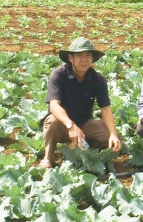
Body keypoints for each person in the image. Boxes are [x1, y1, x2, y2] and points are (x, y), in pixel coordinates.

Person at [41, 37, 121, 168]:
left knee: (111, 139)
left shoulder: (97, 79)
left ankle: (79, 146)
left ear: (92, 59)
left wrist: (113, 134)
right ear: (70, 58)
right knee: (51, 123)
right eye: (79, 55)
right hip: (62, 124)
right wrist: (70, 126)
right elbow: (54, 105)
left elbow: (105, 109)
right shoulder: (59, 74)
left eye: (88, 55)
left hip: (84, 124)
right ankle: (48, 158)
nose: (84, 59)